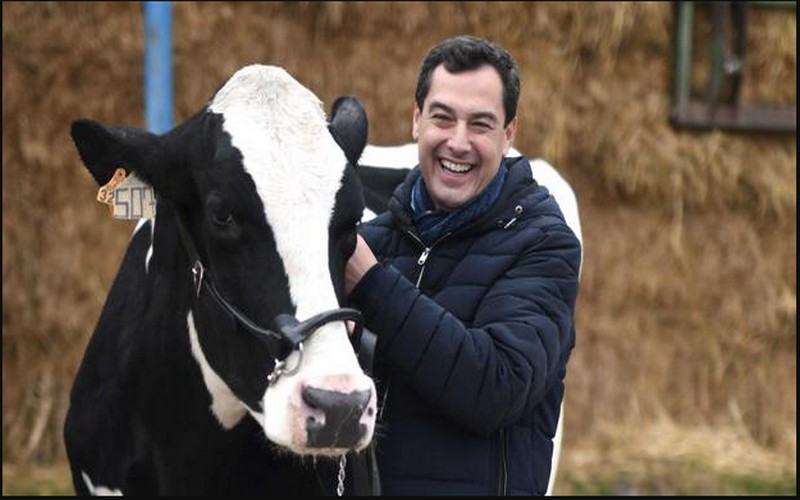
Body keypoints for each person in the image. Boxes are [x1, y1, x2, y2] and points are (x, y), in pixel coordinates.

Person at [345, 35, 581, 495]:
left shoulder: (543, 245)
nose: (457, 142)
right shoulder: (371, 242)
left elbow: (497, 386)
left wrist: (372, 286)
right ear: (416, 120)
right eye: (442, 117)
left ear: (508, 134)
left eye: (480, 124)